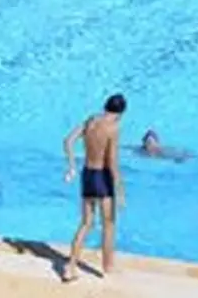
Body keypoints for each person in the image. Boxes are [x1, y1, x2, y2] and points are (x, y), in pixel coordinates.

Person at [61, 92, 126, 282]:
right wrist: (120, 189)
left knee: (86, 223)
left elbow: (68, 141)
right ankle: (108, 267)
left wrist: (72, 166)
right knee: (109, 224)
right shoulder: (113, 128)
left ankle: (70, 267)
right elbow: (112, 162)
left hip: (87, 174)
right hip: (102, 177)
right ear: (121, 113)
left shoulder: (91, 121)